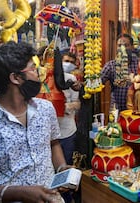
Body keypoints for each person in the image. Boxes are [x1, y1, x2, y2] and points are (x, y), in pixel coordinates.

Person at [0, 41, 73, 202]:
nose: (39, 73)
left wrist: (61, 169)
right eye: (33, 68)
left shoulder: (46, 109)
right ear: (16, 78)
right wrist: (19, 193)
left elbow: (53, 144)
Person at [59, 49, 81, 203]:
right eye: (65, 61)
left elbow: (77, 104)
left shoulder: (72, 79)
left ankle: (66, 199)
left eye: (71, 62)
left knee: (65, 169)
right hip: (50, 134)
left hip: (67, 131)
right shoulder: (48, 79)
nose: (68, 64)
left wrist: (63, 107)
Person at [101, 33, 139, 111]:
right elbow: (98, 81)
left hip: (136, 108)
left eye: (126, 45)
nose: (122, 48)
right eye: (119, 45)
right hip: (116, 109)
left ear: (132, 47)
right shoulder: (111, 65)